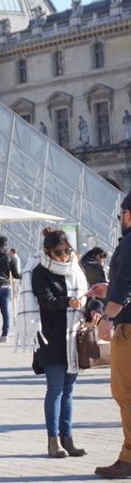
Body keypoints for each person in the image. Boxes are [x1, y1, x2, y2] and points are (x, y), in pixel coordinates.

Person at [18, 228, 101, 459]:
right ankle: (53, 440)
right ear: (47, 251)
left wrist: (95, 308)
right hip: (52, 339)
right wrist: (69, 302)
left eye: (67, 250)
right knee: (55, 390)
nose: (64, 256)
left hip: (74, 338)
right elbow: (46, 301)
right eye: (59, 252)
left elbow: (90, 297)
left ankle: (68, 437)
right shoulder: (39, 272)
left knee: (69, 391)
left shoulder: (76, 268)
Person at [96, 191, 131, 479]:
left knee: (125, 392)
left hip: (130, 329)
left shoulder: (129, 243)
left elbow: (126, 283)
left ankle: (130, 457)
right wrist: (108, 291)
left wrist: (108, 316)